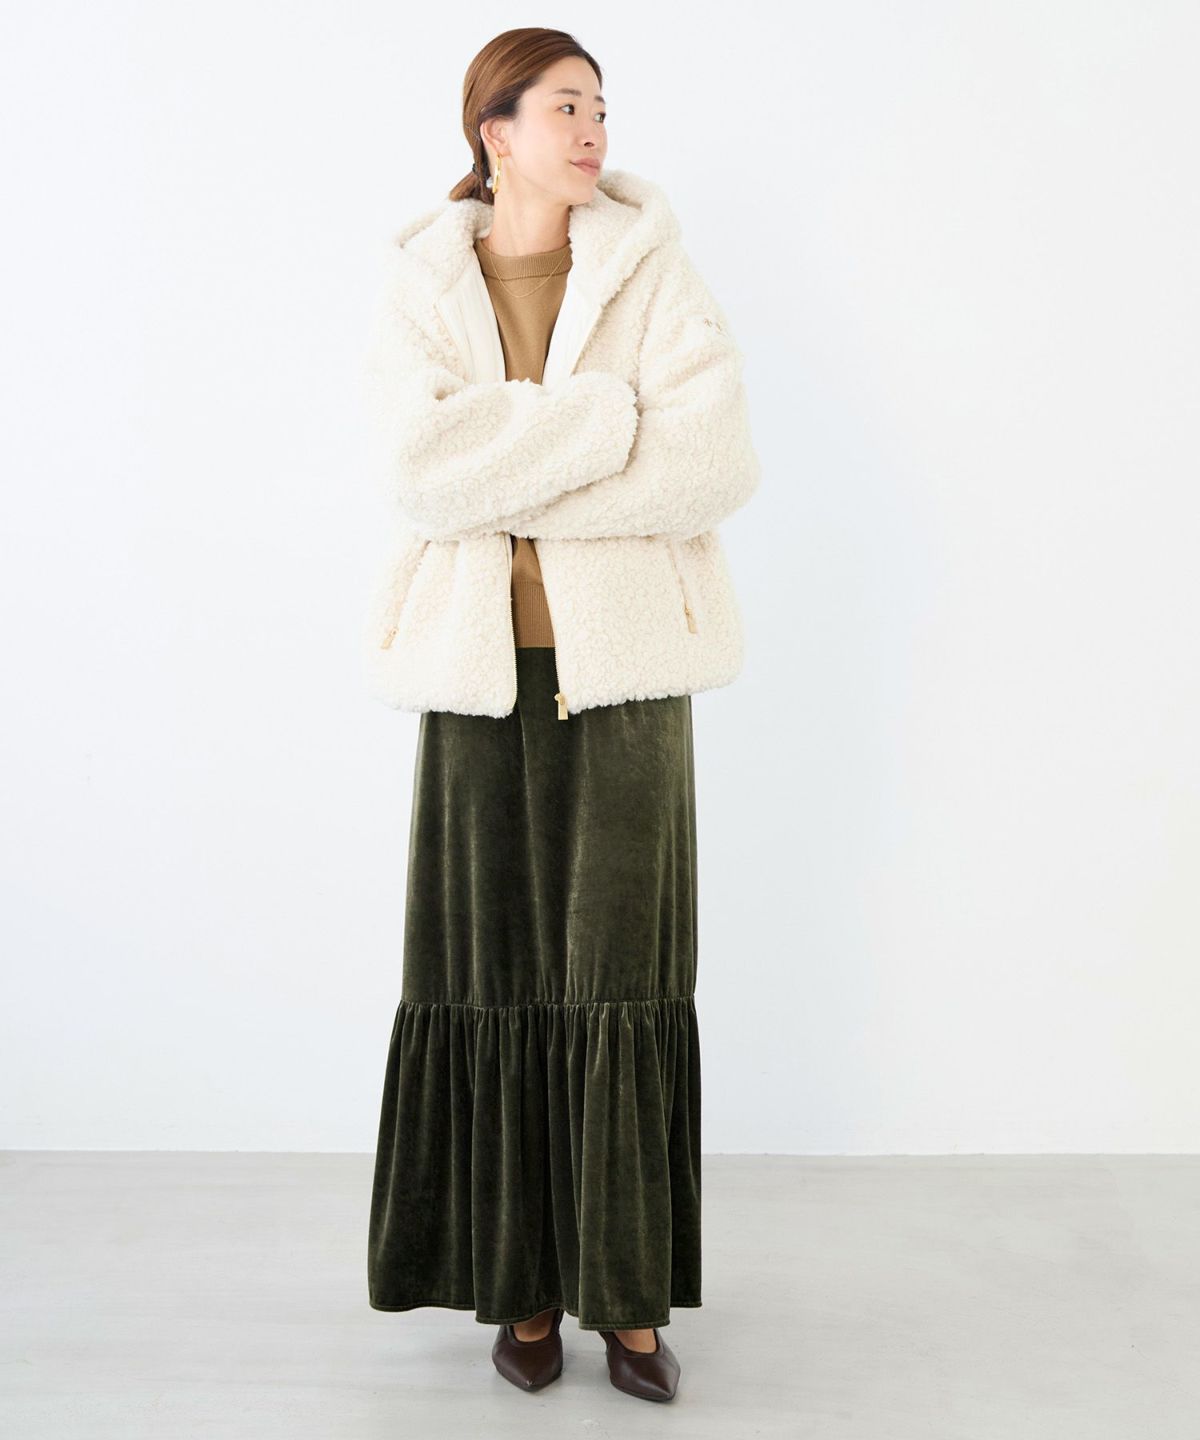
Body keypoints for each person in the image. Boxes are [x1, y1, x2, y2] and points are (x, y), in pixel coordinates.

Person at [362, 27, 760, 1404]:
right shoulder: (422, 281)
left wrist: (513, 463)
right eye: (566, 107)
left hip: (628, 671)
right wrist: (602, 420)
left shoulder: (656, 268)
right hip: (475, 672)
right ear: (498, 131)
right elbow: (419, 472)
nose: (594, 130)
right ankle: (522, 1287)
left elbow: (712, 462)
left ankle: (628, 1301)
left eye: (602, 107)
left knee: (620, 978)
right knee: (492, 974)